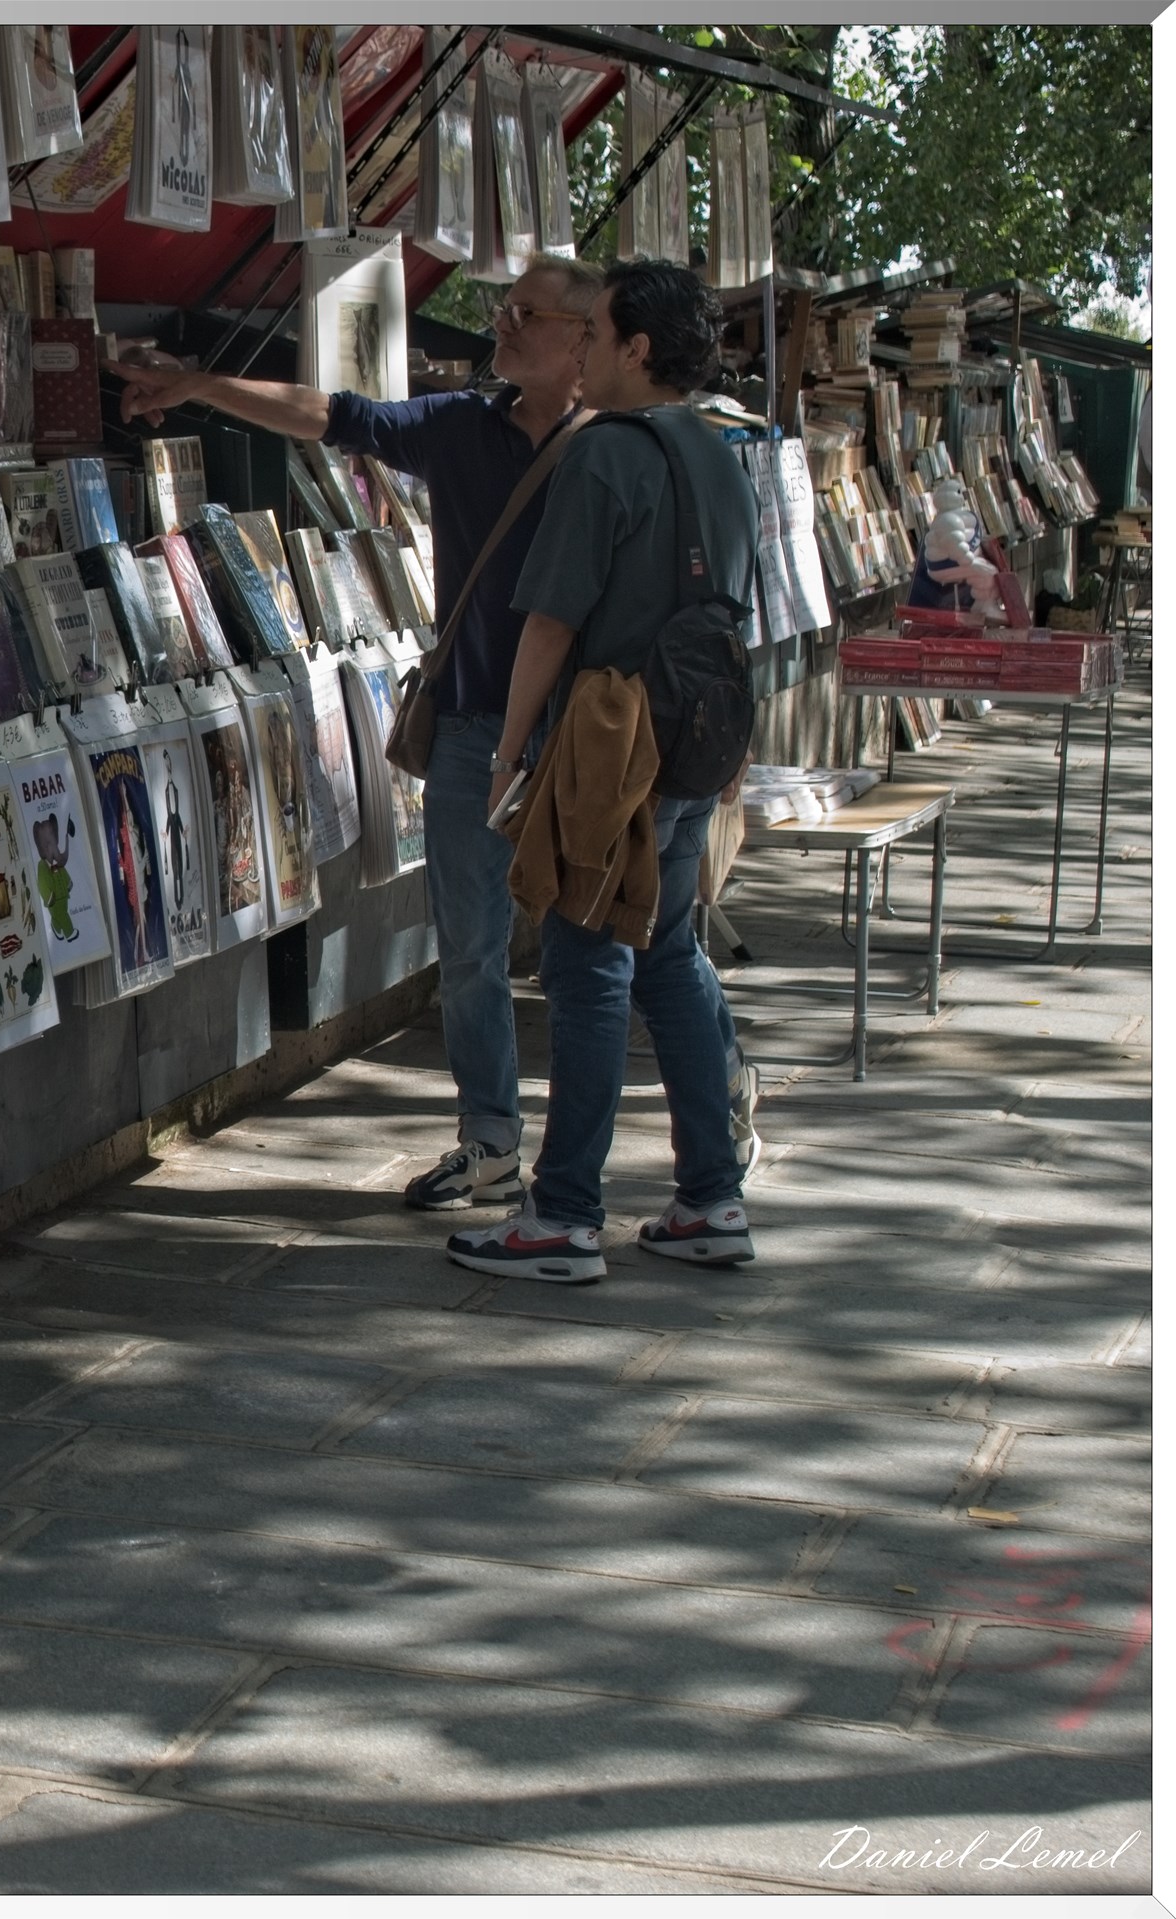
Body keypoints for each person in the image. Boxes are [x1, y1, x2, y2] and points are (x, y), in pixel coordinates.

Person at [112, 256, 602, 1211]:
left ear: (585, 341)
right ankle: (492, 1140)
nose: (500, 323)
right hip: (470, 732)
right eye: (501, 306)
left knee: (604, 946)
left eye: (524, 313)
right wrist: (204, 384)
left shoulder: (616, 448)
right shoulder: (462, 427)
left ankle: (662, 1131)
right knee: (470, 944)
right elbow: (332, 415)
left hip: (584, 734)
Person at [447, 260, 760, 1284]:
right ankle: (711, 1194)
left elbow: (549, 623)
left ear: (636, 349)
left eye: (597, 333)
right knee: (668, 952)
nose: (579, 349)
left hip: (609, 748)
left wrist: (507, 753)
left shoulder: (603, 456)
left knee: (586, 966)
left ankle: (567, 1213)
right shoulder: (724, 454)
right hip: (693, 742)